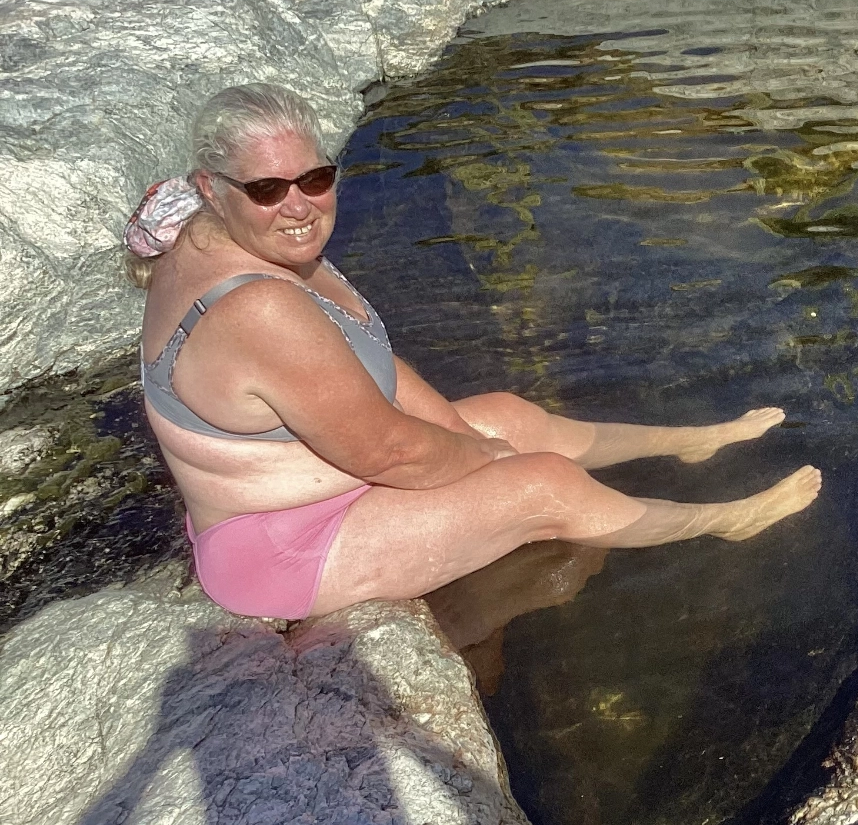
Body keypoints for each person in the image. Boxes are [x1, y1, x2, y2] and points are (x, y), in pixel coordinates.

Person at [128, 82, 821, 624]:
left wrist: (470, 436)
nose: (300, 205)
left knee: (508, 415)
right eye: (267, 189)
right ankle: (727, 520)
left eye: (315, 178)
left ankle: (690, 442)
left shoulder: (223, 236)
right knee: (543, 483)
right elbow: (390, 454)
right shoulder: (260, 306)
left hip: (323, 491)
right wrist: (486, 462)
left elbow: (370, 367)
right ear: (212, 190)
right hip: (283, 550)